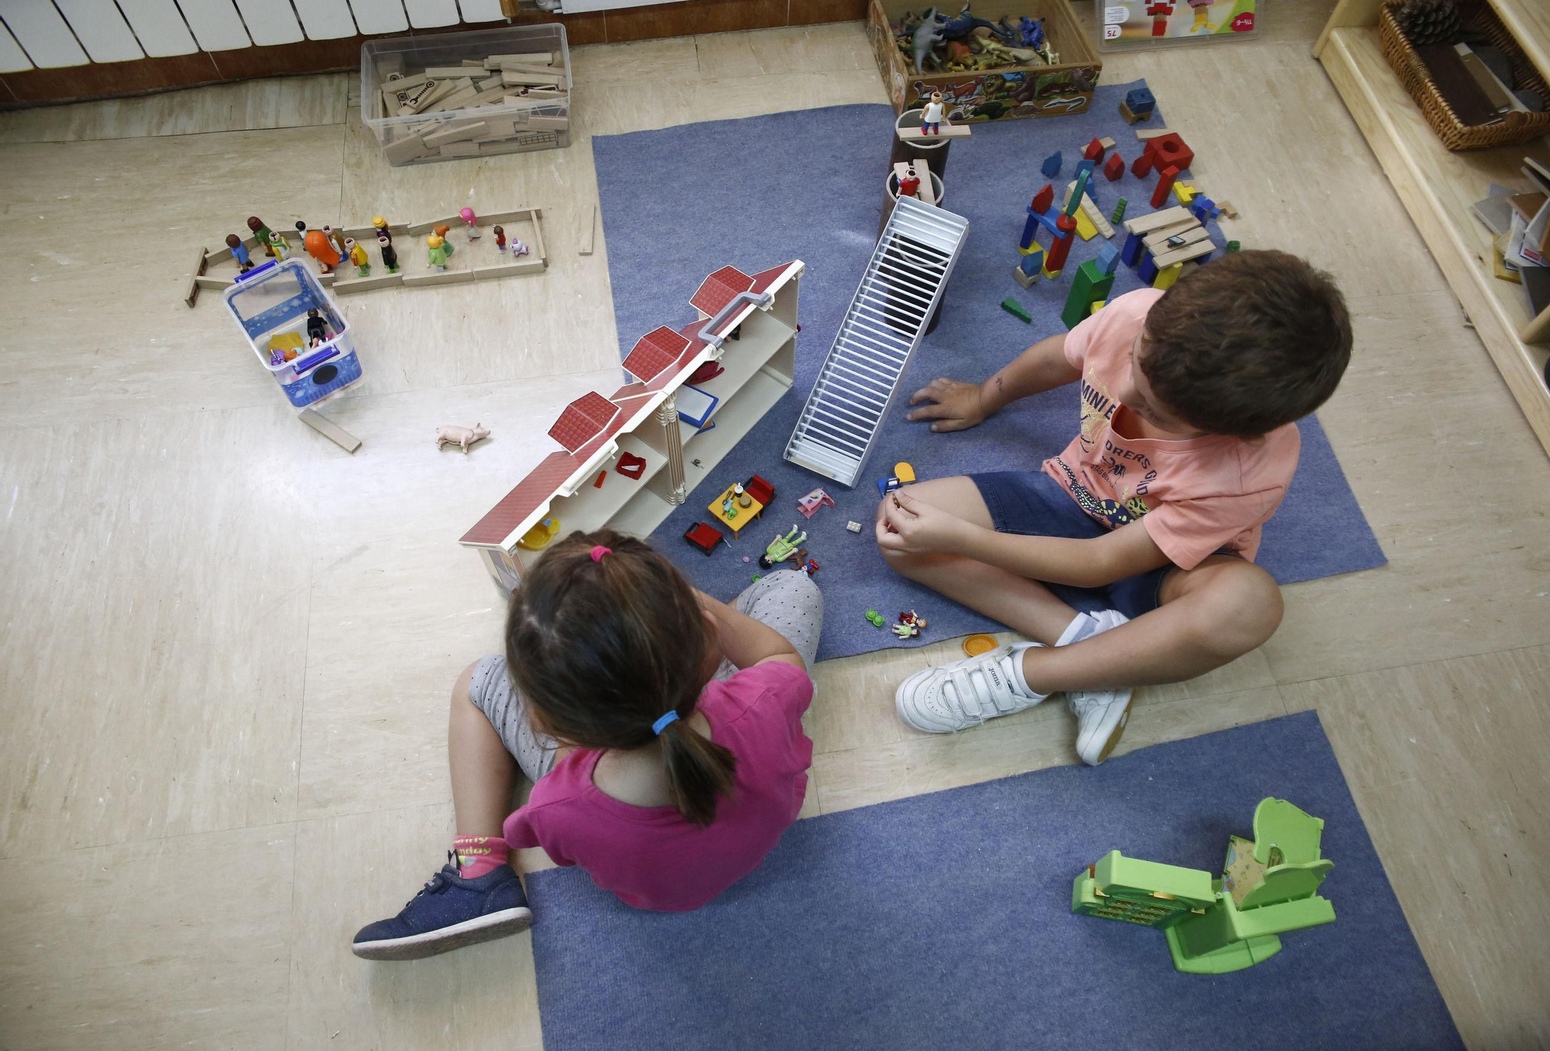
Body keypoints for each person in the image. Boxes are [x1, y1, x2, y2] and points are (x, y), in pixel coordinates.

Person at [876, 250, 1352, 766]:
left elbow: (1100, 564)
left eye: (1152, 409)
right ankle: (1091, 645)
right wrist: (984, 398)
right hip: (1068, 495)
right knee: (899, 520)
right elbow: (1058, 355)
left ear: (1232, 433)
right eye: (1134, 363)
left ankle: (1039, 673)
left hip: (1161, 566)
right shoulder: (1137, 317)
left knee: (1249, 606)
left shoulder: (1248, 469)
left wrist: (961, 540)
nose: (1124, 391)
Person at [351, 531, 822, 960]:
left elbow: (572, 778)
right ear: (705, 640)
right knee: (794, 587)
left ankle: (478, 873)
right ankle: (657, 651)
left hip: (634, 819)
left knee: (476, 680)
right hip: (733, 756)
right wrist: (660, 609)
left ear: (545, 720)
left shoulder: (556, 805)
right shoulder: (767, 698)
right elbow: (780, 656)